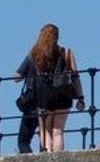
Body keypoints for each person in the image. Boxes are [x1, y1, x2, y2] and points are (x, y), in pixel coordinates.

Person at [14, 25, 84, 154]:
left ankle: (48, 157)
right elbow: (75, 77)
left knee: (46, 130)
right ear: (57, 37)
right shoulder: (67, 52)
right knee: (58, 130)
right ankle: (58, 158)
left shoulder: (36, 54)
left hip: (44, 97)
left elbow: (17, 77)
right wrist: (80, 97)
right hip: (64, 94)